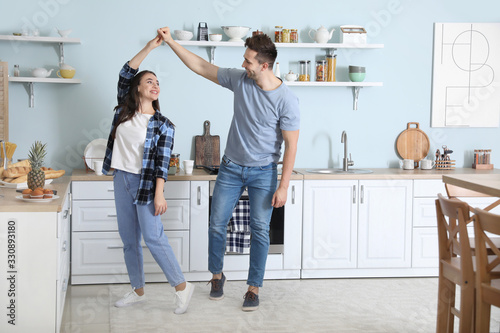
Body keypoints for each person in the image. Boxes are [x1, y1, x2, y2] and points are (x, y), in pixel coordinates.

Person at [158, 27, 300, 311]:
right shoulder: (240, 80)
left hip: (264, 172)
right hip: (231, 168)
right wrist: (171, 42)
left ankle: (253, 288)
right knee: (216, 223)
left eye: (248, 60)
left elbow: (291, 146)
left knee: (260, 230)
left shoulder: (286, 99)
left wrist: (283, 186)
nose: (243, 64)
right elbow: (201, 66)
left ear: (264, 65)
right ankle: (217, 276)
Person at [102, 34, 194, 314]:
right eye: (149, 81)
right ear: (137, 89)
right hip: (121, 180)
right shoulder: (124, 111)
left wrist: (159, 193)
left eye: (157, 82)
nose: (155, 85)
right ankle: (137, 290)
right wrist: (150, 47)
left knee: (154, 238)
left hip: (145, 184)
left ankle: (181, 287)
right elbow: (124, 73)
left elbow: (161, 163)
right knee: (129, 241)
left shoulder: (164, 125)